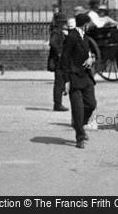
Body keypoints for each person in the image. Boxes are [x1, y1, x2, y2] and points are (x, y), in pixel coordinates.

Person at [60, 13, 96, 148]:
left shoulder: (85, 37)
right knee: (77, 109)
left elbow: (90, 53)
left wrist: (91, 58)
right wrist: (66, 80)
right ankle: (80, 137)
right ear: (85, 24)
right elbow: (64, 59)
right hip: (74, 78)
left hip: (86, 77)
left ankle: (79, 124)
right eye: (89, 24)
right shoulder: (71, 37)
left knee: (91, 104)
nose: (90, 26)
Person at [48, 14, 68, 111]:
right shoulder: (56, 32)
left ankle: (58, 103)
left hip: (60, 60)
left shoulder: (59, 32)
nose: (65, 23)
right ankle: (57, 104)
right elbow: (52, 43)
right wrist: (59, 53)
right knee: (59, 83)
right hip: (58, 61)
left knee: (61, 82)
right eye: (63, 22)